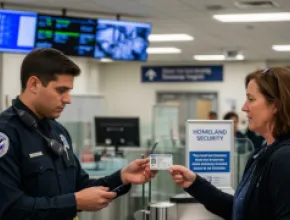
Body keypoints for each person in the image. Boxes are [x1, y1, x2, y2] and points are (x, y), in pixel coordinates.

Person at [0, 48, 156, 220]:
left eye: (69, 91)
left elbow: (81, 187)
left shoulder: (58, 131)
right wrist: (75, 203)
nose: (68, 99)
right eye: (61, 90)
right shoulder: (6, 133)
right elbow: (10, 208)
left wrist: (122, 177)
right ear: (34, 84)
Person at [169, 67, 290, 220]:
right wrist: (195, 184)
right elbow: (240, 210)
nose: (244, 107)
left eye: (251, 99)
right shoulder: (261, 154)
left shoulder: (284, 159)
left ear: (276, 105)